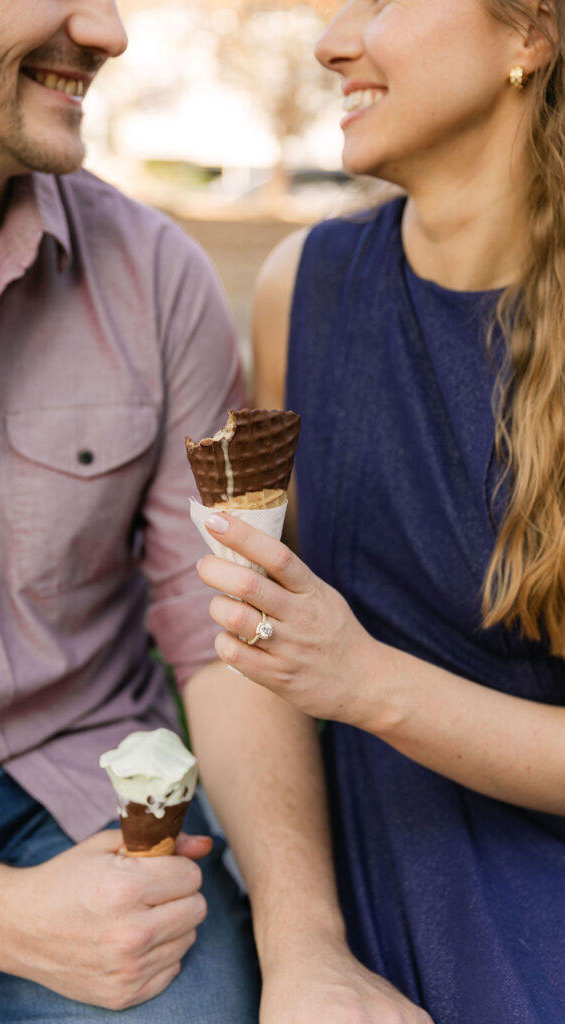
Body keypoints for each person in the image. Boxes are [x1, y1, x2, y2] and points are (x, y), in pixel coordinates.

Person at [0, 2, 366, 1022]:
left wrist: (305, 948)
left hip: (90, 802)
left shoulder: (158, 279)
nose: (105, 30)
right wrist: (1, 916)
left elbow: (224, 640)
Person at [197, 1, 565, 1021]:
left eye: (381, 2)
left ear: (527, 36)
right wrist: (298, 940)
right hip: (344, 859)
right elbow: (256, 642)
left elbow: (329, 665)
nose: (327, 43)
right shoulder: (298, 288)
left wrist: (362, 680)